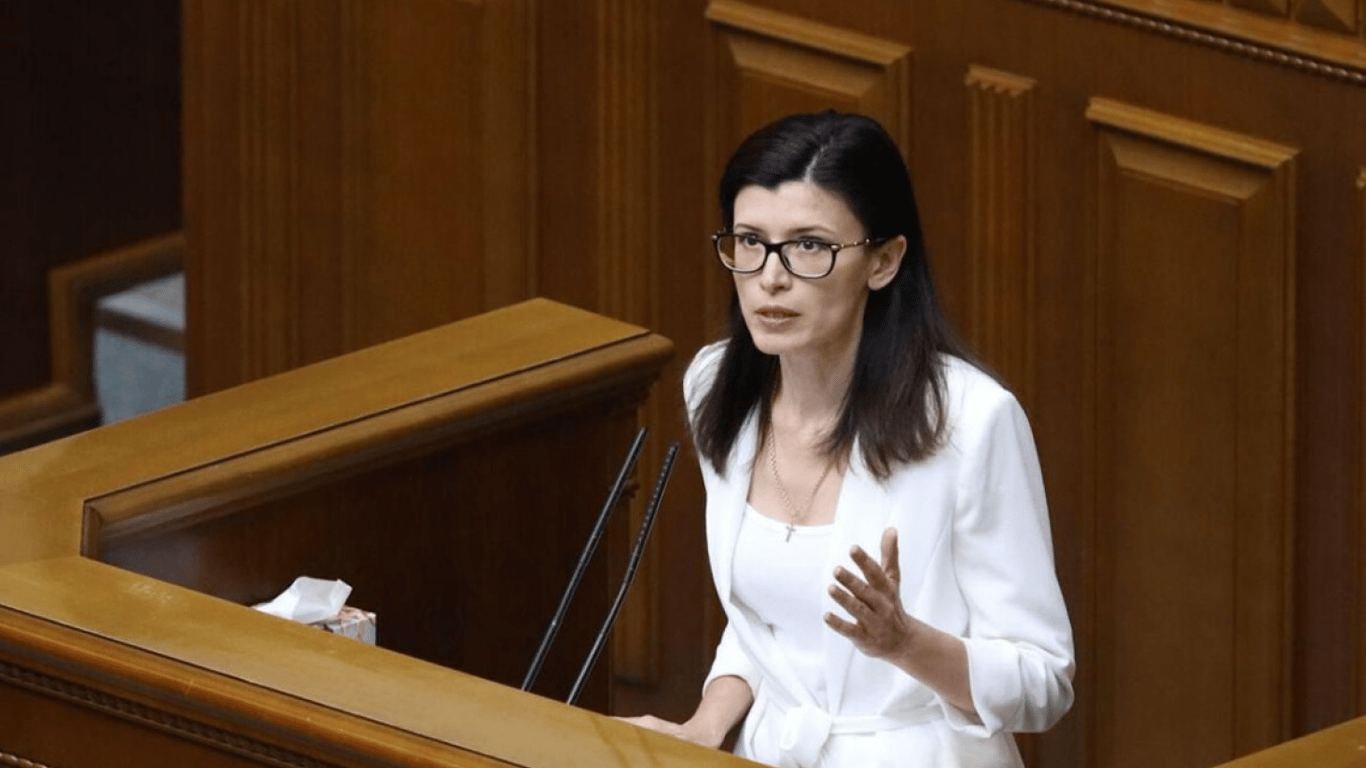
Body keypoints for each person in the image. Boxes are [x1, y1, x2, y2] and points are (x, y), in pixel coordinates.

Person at [623, 112, 1074, 767]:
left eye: (809, 246)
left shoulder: (972, 422)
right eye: (750, 242)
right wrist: (705, 727)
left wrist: (904, 642)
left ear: (884, 261)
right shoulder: (716, 388)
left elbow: (1044, 682)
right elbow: (768, 624)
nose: (770, 277)